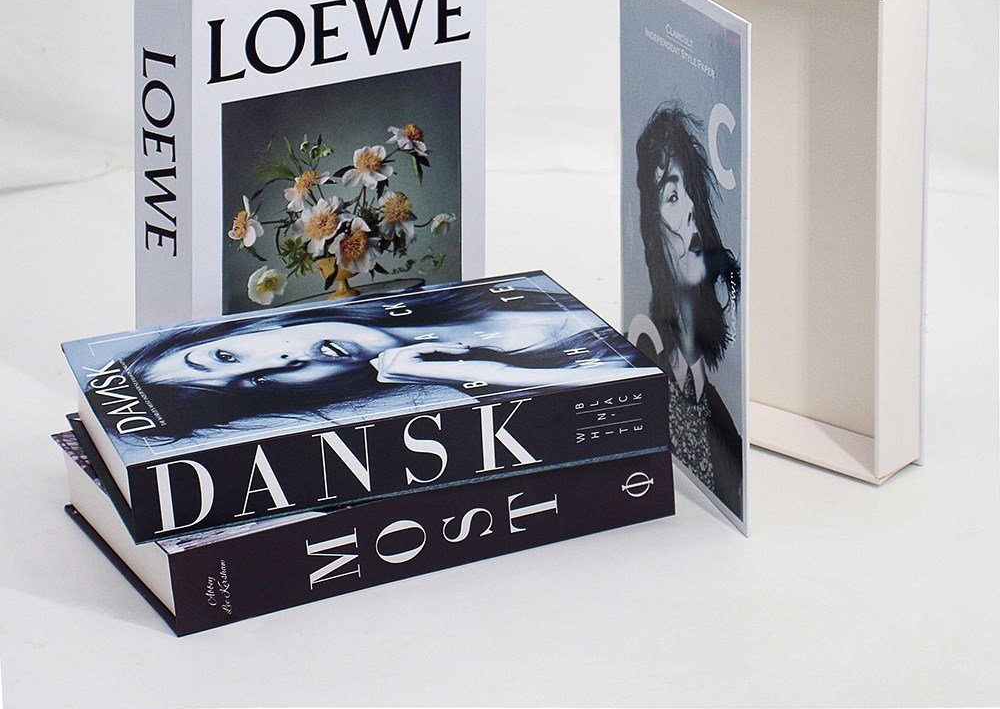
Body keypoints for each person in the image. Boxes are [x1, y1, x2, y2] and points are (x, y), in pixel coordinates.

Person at [120, 280, 658, 443]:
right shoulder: (460, 393)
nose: (283, 362)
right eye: (256, 385)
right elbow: (627, 390)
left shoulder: (467, 294)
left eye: (226, 356)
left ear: (249, 328)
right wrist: (452, 371)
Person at [634, 102, 743, 517]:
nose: (691, 208)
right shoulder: (642, 362)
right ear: (652, 224)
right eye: (672, 196)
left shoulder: (729, 435)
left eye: (691, 190)